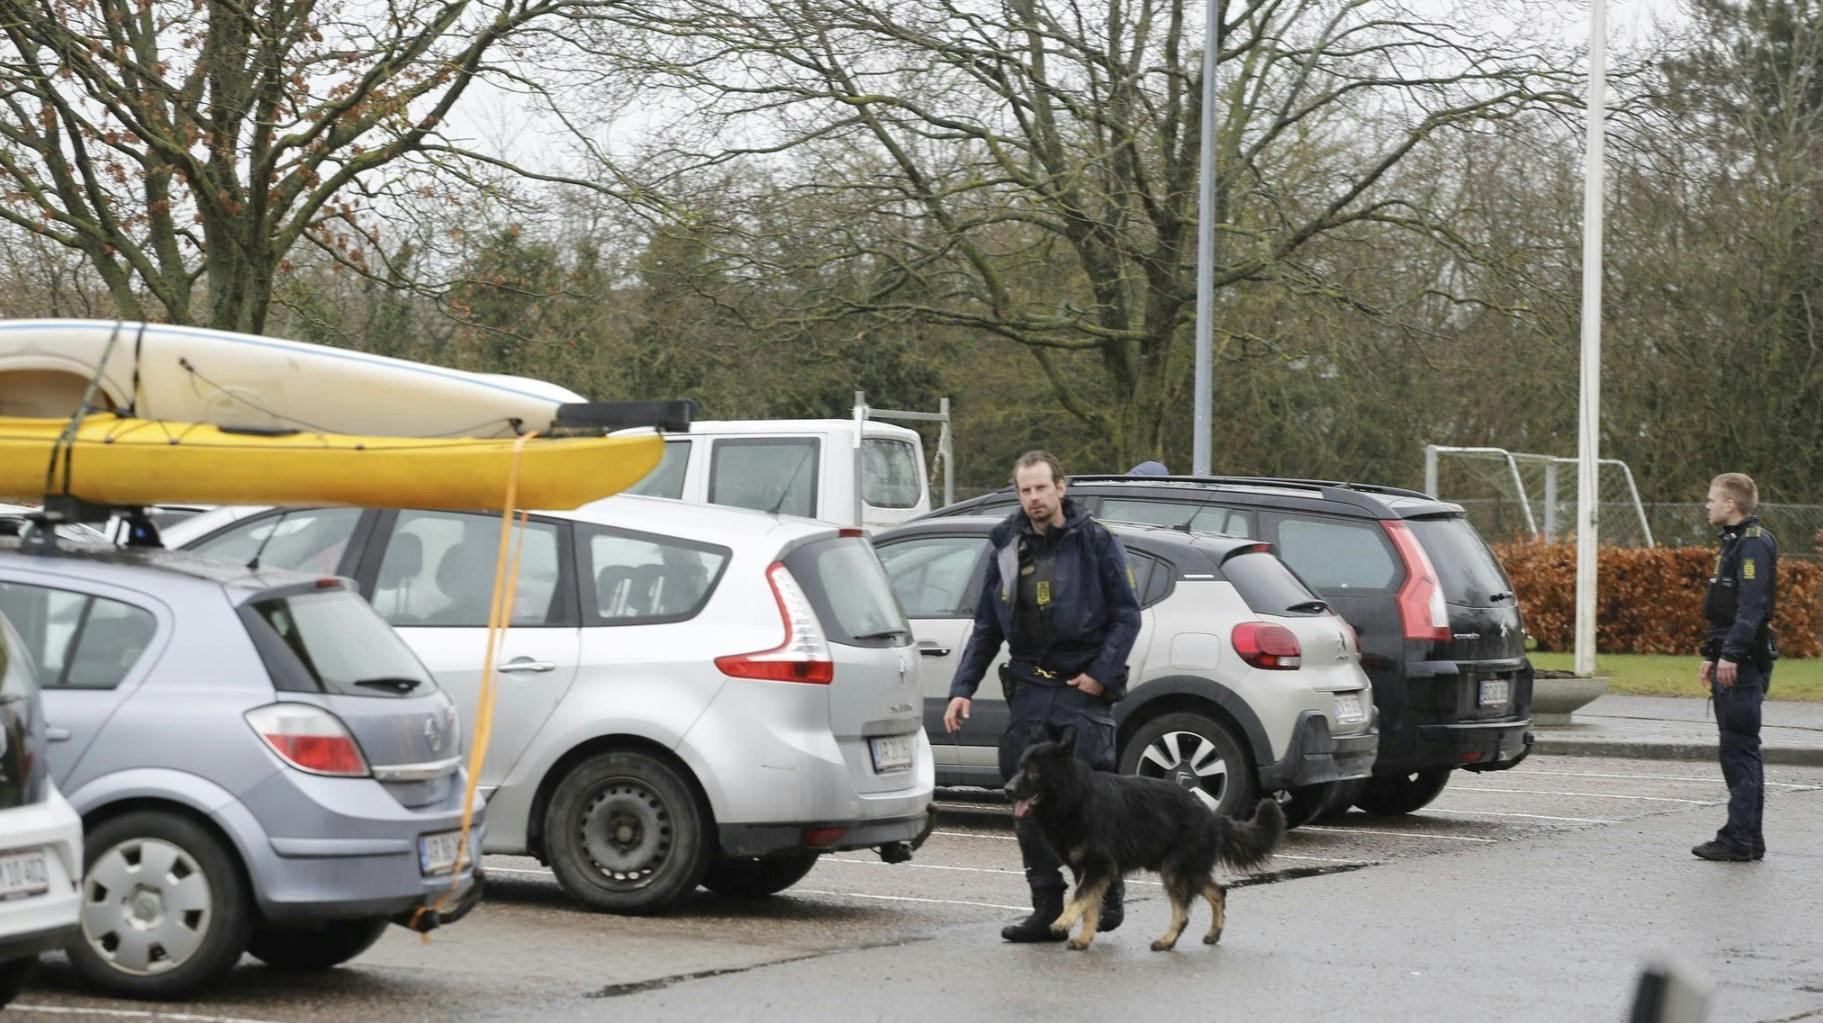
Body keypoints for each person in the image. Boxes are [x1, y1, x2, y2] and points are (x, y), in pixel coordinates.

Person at [942, 451, 1142, 941]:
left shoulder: (1096, 541)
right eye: (1025, 490)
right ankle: (1046, 911)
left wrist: (1099, 675)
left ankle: (1105, 895)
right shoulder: (1006, 546)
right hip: (1030, 688)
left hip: (1081, 691)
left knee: (1088, 804)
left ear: (1060, 488)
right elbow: (987, 626)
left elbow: (1126, 616)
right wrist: (962, 689)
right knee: (1027, 805)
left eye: (1041, 488)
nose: (1034, 498)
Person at [1692, 472, 1778, 862]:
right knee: (1739, 749)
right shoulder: (1735, 542)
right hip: (1733, 656)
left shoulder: (1752, 544)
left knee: (1740, 750)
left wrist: (1732, 655)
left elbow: (1751, 607)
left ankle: (1739, 839)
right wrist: (1713, 654)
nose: (1707, 505)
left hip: (1743, 663)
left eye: (1712, 499)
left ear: (1731, 504)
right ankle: (1748, 838)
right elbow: (1726, 609)